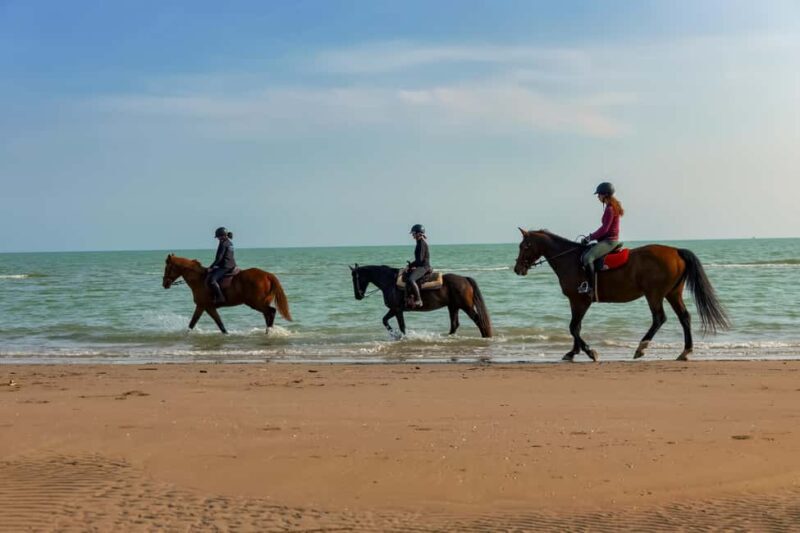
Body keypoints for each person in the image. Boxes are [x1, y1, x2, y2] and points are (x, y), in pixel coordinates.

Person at [579, 182, 624, 294]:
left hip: (610, 241)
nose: (598, 197)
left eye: (599, 194)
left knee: (588, 258)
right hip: (607, 240)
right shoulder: (611, 207)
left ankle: (591, 288)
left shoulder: (610, 209)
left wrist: (590, 237)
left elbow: (604, 229)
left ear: (605, 194)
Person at [207, 227, 237, 304]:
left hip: (225, 267)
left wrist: (211, 267)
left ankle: (220, 297)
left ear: (223, 236)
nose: (217, 238)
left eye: (218, 237)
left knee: (212, 281)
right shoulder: (230, 243)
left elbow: (219, 258)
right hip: (232, 265)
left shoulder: (223, 243)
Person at [405, 224, 431, 308]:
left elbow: (419, 260)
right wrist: (411, 266)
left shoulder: (421, 244)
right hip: (421, 266)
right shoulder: (419, 242)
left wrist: (410, 266)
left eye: (413, 233)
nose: (412, 235)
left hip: (424, 267)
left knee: (411, 279)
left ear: (419, 234)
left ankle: (419, 300)